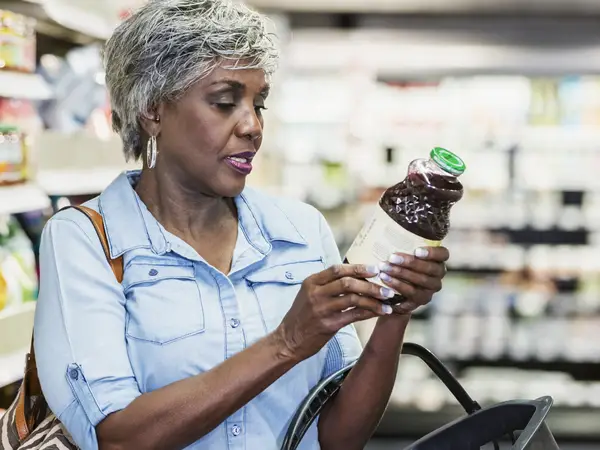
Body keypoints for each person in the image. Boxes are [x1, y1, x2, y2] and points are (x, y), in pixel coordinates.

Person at [33, 1, 450, 449]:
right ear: (152, 110)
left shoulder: (302, 232)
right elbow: (118, 439)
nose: (252, 126)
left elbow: (337, 439)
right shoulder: (86, 241)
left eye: (259, 104)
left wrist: (394, 314)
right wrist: (287, 342)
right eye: (225, 102)